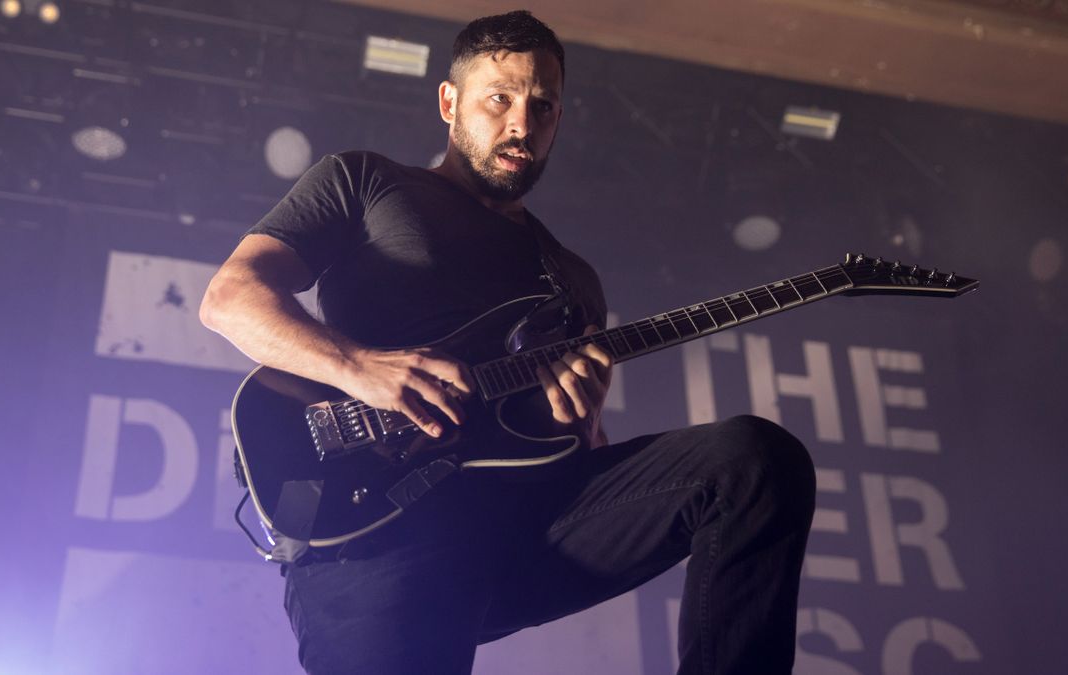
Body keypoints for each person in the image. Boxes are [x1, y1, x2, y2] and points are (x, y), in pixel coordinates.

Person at [200, 10, 815, 675]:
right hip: (381, 527)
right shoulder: (367, 182)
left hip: (523, 528)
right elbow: (230, 298)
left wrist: (578, 421)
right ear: (449, 101)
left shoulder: (572, 277)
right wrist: (359, 368)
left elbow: (573, 452)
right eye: (501, 98)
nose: (522, 123)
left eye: (543, 105)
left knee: (753, 461)